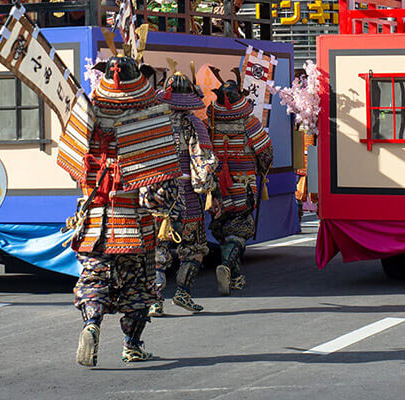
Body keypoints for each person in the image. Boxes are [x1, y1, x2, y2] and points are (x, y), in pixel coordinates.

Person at [60, 56, 166, 366]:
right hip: (133, 225)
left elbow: (73, 170)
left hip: (93, 222)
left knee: (94, 281)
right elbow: (155, 191)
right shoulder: (147, 117)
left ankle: (92, 324)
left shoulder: (87, 113)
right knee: (137, 289)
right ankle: (132, 345)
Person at [145, 73, 219, 316]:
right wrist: (207, 188)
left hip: (155, 195)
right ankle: (183, 293)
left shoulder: (151, 122)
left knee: (156, 248)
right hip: (186, 197)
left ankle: (155, 300)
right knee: (194, 247)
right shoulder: (194, 124)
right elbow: (203, 161)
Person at [208, 74, 272, 295]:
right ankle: (225, 265)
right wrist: (262, 171)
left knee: (225, 230)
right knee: (240, 229)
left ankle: (235, 278)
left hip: (216, 187)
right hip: (243, 185)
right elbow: (265, 152)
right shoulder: (249, 122)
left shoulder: (212, 124)